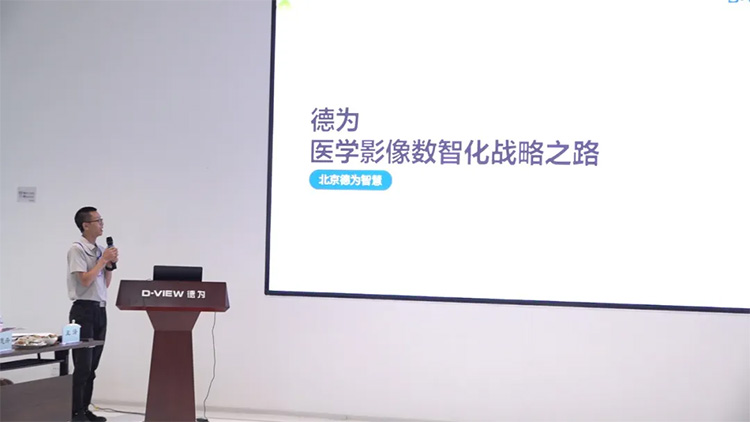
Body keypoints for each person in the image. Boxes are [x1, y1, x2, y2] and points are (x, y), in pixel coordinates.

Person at [67, 207, 118, 422]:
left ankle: (85, 409)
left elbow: (104, 284)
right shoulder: (77, 249)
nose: (101, 224)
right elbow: (85, 280)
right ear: (85, 225)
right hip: (83, 312)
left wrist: (109, 266)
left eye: (101, 220)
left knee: (93, 366)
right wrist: (102, 261)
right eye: (98, 220)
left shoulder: (99, 250)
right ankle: (75, 412)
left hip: (100, 309)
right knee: (83, 366)